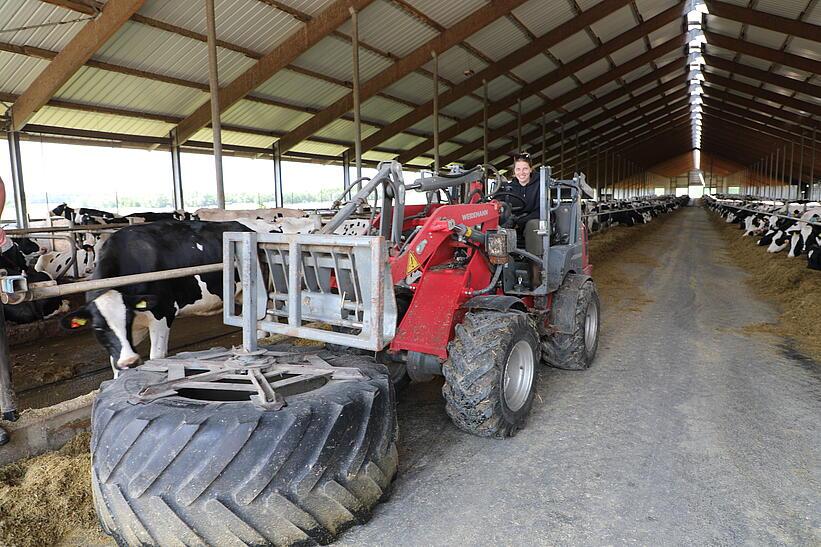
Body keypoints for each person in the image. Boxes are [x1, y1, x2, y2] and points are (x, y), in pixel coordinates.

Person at [499, 153, 541, 234]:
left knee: (533, 225)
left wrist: (519, 221)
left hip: (533, 223)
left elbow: (540, 211)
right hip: (513, 224)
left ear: (530, 169)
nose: (521, 173)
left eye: (525, 168)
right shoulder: (509, 188)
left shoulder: (540, 185)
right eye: (518, 169)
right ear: (514, 171)